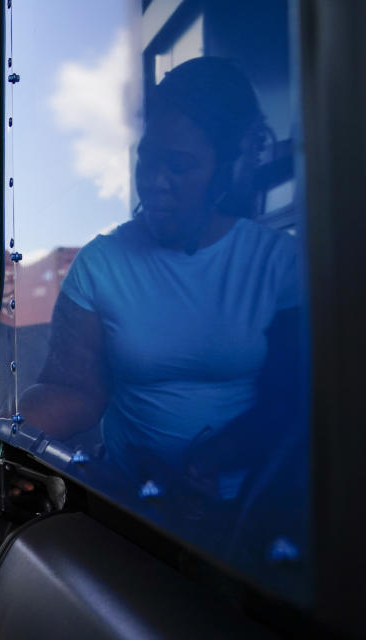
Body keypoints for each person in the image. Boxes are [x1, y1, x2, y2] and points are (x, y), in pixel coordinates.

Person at [20, 57, 303, 540]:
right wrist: (4, 434)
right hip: (135, 505)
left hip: (250, 513)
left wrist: (216, 458)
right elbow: (76, 391)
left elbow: (293, 404)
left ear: (226, 172)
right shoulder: (102, 263)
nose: (155, 180)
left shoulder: (280, 264)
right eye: (147, 159)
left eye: (180, 165)